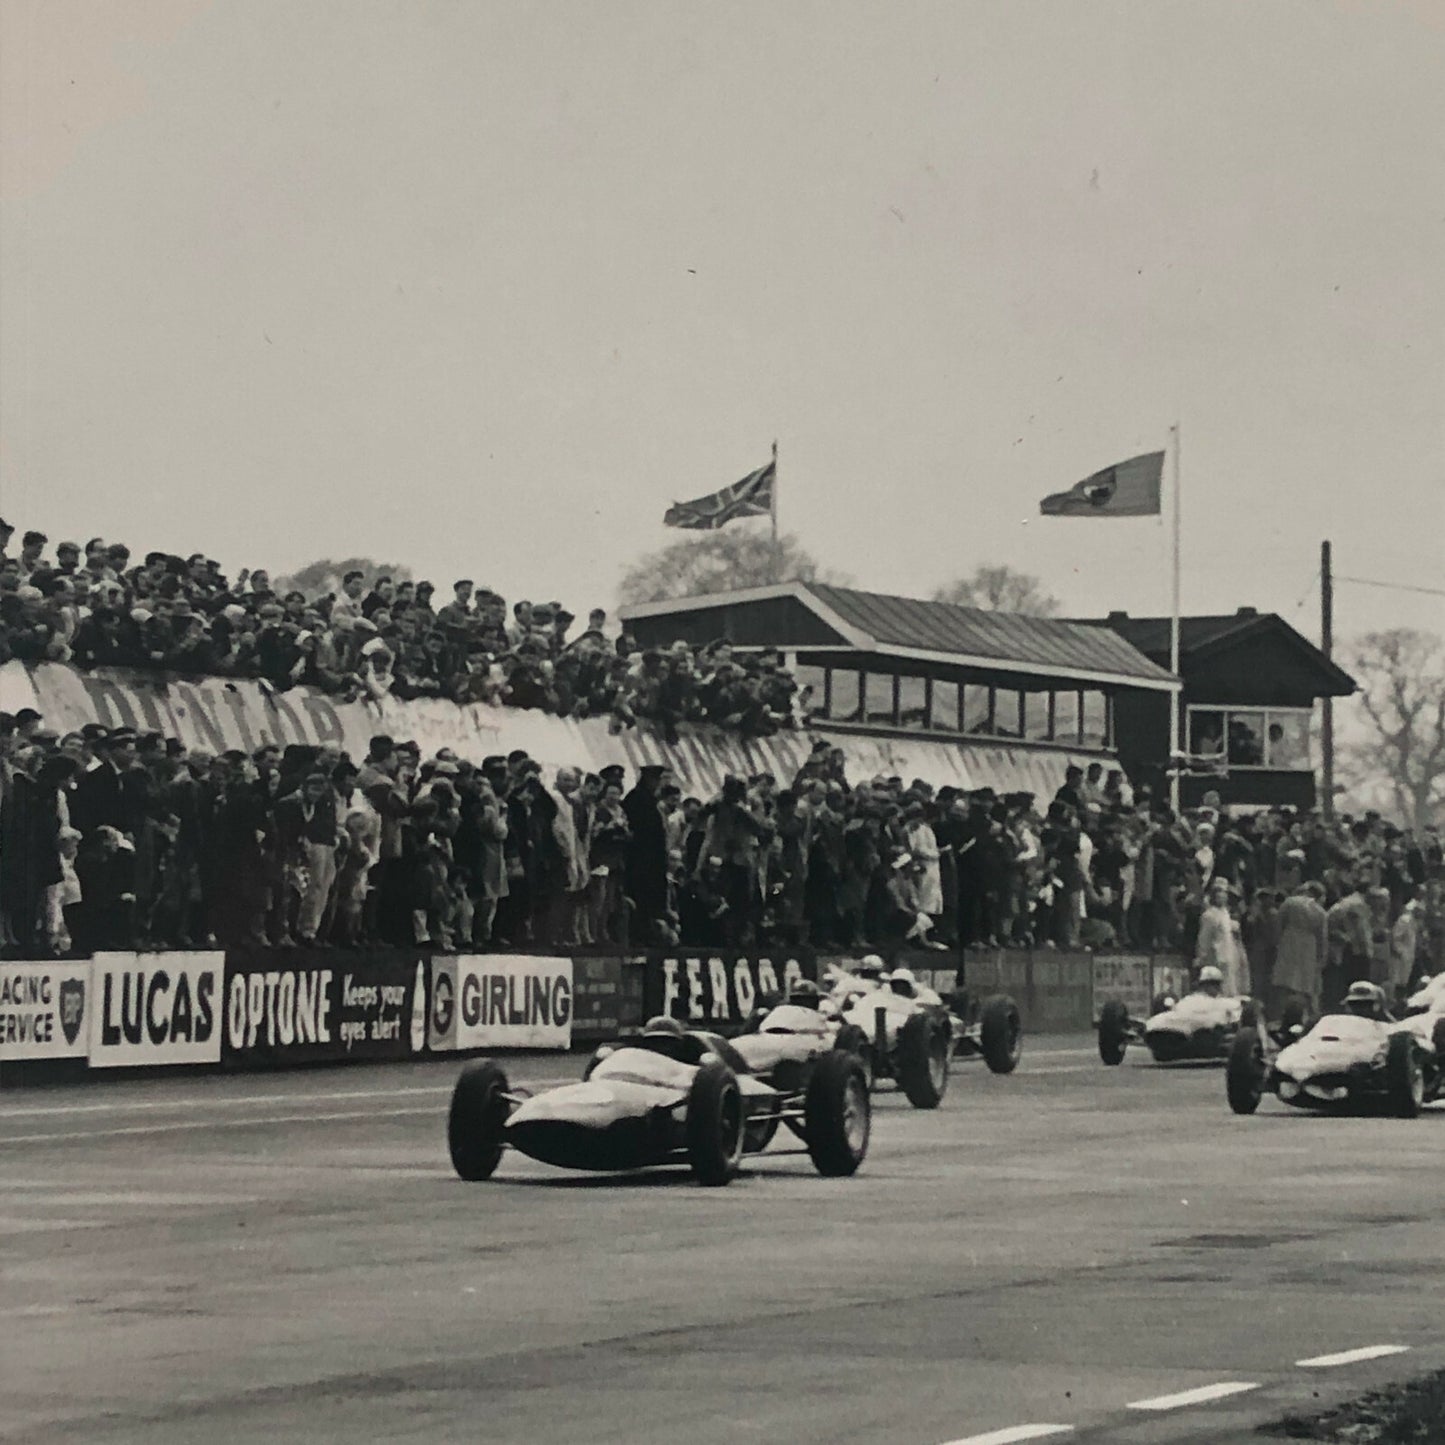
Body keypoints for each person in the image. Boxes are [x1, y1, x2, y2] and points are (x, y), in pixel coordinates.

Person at [1273, 881, 1328, 1020]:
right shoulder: (1319, 910)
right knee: (1306, 984)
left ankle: (1283, 1014)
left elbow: (1279, 924)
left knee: (1285, 982)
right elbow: (1322, 937)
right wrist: (1321, 957)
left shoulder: (1289, 902)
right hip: (1309, 945)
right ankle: (1307, 1015)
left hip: (1289, 941)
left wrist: (1278, 943)